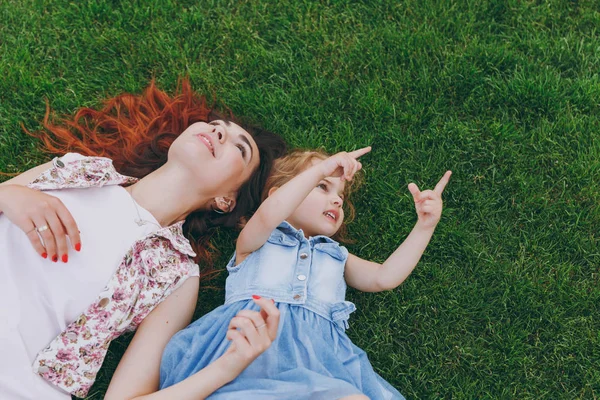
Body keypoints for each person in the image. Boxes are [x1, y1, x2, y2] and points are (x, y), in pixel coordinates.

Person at [0, 79, 286, 399]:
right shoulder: (78, 170)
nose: (219, 131)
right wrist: (7, 196)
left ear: (226, 201)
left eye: (239, 147)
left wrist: (229, 365)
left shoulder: (177, 275)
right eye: (215, 124)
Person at [159, 147, 452, 399]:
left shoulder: (336, 256)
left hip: (318, 360)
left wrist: (425, 226)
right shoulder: (258, 239)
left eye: (340, 195)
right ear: (281, 193)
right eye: (323, 187)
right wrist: (321, 168)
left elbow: (383, 277)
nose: (337, 200)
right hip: (250, 345)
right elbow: (271, 211)